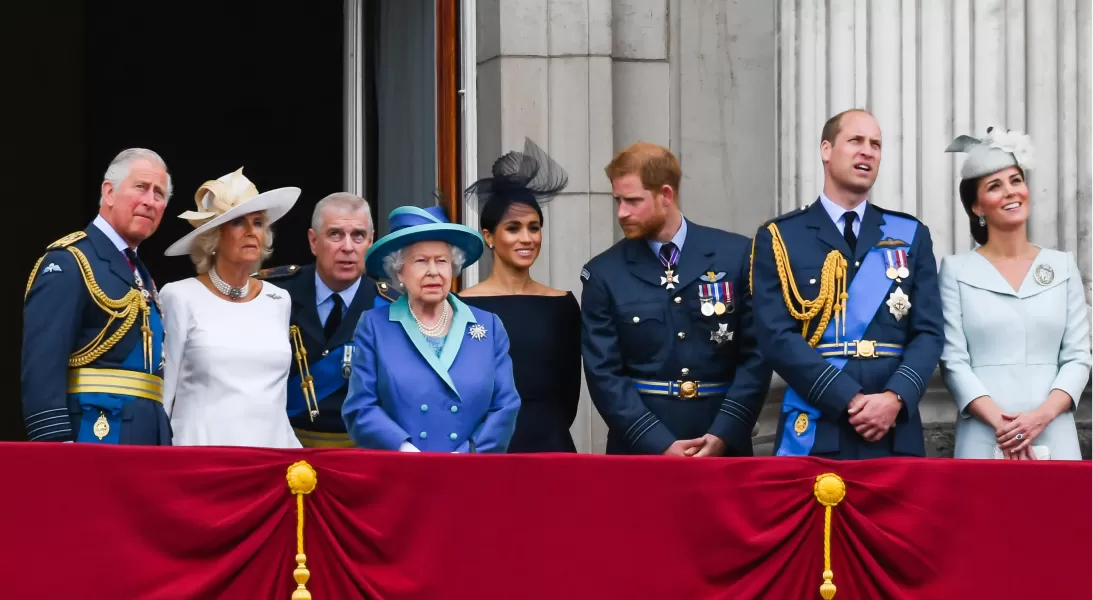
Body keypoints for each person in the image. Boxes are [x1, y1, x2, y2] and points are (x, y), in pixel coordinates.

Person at [750, 109, 944, 459]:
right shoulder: (781, 236)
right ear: (826, 149)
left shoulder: (910, 234)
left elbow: (929, 332)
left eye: (876, 145)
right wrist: (848, 398)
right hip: (817, 421)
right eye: (855, 141)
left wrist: (894, 398)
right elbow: (775, 335)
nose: (867, 151)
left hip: (893, 428)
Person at [580, 142, 771, 456]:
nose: (621, 213)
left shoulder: (737, 256)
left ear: (665, 195)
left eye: (632, 201)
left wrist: (724, 433)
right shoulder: (604, 273)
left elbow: (758, 355)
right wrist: (658, 444)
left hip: (723, 439)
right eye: (617, 201)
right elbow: (604, 374)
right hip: (640, 448)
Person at [940, 128, 1091, 460]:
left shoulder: (1062, 266)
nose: (1011, 192)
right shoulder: (955, 270)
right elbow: (953, 361)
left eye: (1016, 180)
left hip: (1055, 431)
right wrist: (1004, 426)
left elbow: (1078, 356)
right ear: (977, 206)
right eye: (995, 186)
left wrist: (1040, 418)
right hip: (984, 435)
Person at [22, 148, 173, 444]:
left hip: (147, 437)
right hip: (94, 434)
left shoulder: (139, 271)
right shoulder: (70, 261)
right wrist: (54, 444)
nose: (150, 201)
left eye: (159, 194)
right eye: (141, 187)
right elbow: (42, 363)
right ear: (109, 192)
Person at [342, 205, 521, 452]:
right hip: (402, 472)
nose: (433, 272)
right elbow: (360, 407)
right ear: (400, 271)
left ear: (453, 268)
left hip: (471, 472)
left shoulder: (488, 326)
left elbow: (505, 405)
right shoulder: (375, 326)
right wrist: (405, 450)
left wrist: (469, 453)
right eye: (421, 261)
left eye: (442, 261)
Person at [159, 168, 303, 448]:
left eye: (258, 222)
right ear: (212, 237)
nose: (251, 232)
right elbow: (164, 394)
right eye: (238, 223)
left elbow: (274, 399)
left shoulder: (279, 300)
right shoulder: (179, 296)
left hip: (270, 461)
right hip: (201, 459)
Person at [460, 138, 582, 452]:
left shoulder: (562, 304)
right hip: (484, 450)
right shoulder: (461, 305)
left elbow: (569, 395)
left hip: (550, 449)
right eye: (513, 228)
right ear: (489, 236)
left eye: (534, 227)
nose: (526, 238)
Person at [255, 192, 401, 448]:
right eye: (335, 234)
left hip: (361, 453)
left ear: (371, 241)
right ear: (313, 241)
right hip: (280, 447)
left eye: (358, 235)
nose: (348, 247)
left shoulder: (391, 309)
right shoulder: (272, 293)